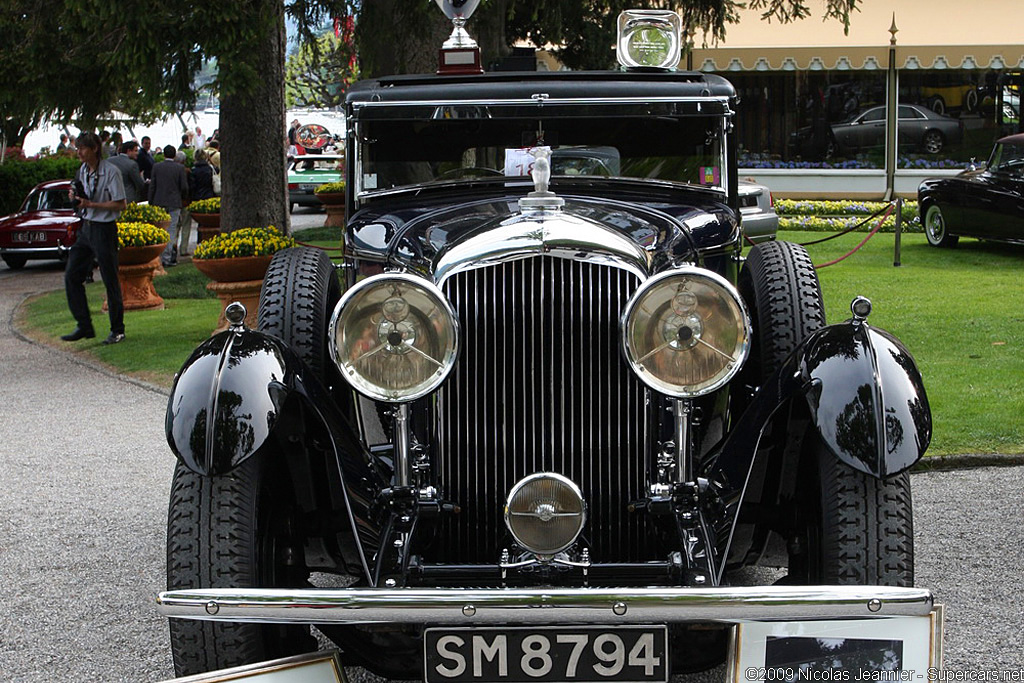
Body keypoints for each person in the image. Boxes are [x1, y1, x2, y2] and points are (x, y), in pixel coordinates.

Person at [61, 131, 127, 345]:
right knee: (72, 274)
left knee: (109, 279)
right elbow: (84, 197)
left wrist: (92, 205)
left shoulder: (111, 171)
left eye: (82, 148)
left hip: (104, 228)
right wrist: (77, 198)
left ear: (95, 149)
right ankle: (84, 324)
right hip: (86, 227)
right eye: (77, 148)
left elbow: (120, 204)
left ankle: (117, 329)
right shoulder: (83, 171)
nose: (78, 152)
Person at [149, 144, 189, 266]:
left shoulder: (156, 167)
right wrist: (183, 197)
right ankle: (167, 258)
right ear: (174, 155)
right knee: (171, 230)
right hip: (174, 202)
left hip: (159, 202)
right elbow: (184, 187)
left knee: (160, 230)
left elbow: (153, 185)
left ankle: (159, 258)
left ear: (164, 154)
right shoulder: (179, 168)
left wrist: (151, 200)